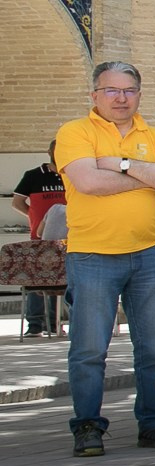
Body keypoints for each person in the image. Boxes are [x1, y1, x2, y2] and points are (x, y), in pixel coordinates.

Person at [56, 60, 155, 455]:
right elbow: (89, 182)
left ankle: (153, 423)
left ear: (139, 95)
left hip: (151, 254)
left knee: (153, 348)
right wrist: (148, 175)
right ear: (94, 95)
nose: (120, 98)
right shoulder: (75, 132)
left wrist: (122, 164)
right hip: (93, 255)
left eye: (129, 90)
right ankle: (87, 427)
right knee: (89, 349)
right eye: (111, 90)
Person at [12, 141, 67, 334]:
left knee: (63, 281)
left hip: (73, 239)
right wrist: (36, 218)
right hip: (40, 239)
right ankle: (35, 325)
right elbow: (17, 202)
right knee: (38, 281)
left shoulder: (73, 174)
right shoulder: (34, 175)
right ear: (50, 152)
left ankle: (55, 324)